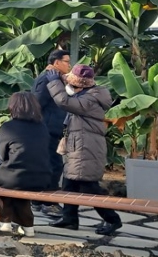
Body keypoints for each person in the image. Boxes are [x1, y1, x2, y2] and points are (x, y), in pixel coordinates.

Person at [48, 64, 123, 235]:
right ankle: (69, 218)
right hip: (80, 146)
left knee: (89, 187)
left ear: (80, 85)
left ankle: (113, 219)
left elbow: (64, 101)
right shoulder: (86, 93)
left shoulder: (90, 98)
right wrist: (58, 77)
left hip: (86, 148)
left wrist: (53, 83)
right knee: (69, 184)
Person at [0, 92, 52, 237]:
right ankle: (27, 225)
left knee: (0, 180)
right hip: (42, 177)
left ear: (13, 107)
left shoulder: (8, 127)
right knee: (18, 183)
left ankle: (4, 220)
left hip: (16, 177)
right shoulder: (42, 127)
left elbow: (2, 155)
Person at [32, 49, 72, 216]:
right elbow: (36, 103)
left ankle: (38, 200)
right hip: (46, 130)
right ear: (56, 62)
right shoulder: (46, 79)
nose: (69, 65)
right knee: (54, 166)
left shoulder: (56, 78)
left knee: (49, 165)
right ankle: (48, 202)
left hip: (52, 130)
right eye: (67, 61)